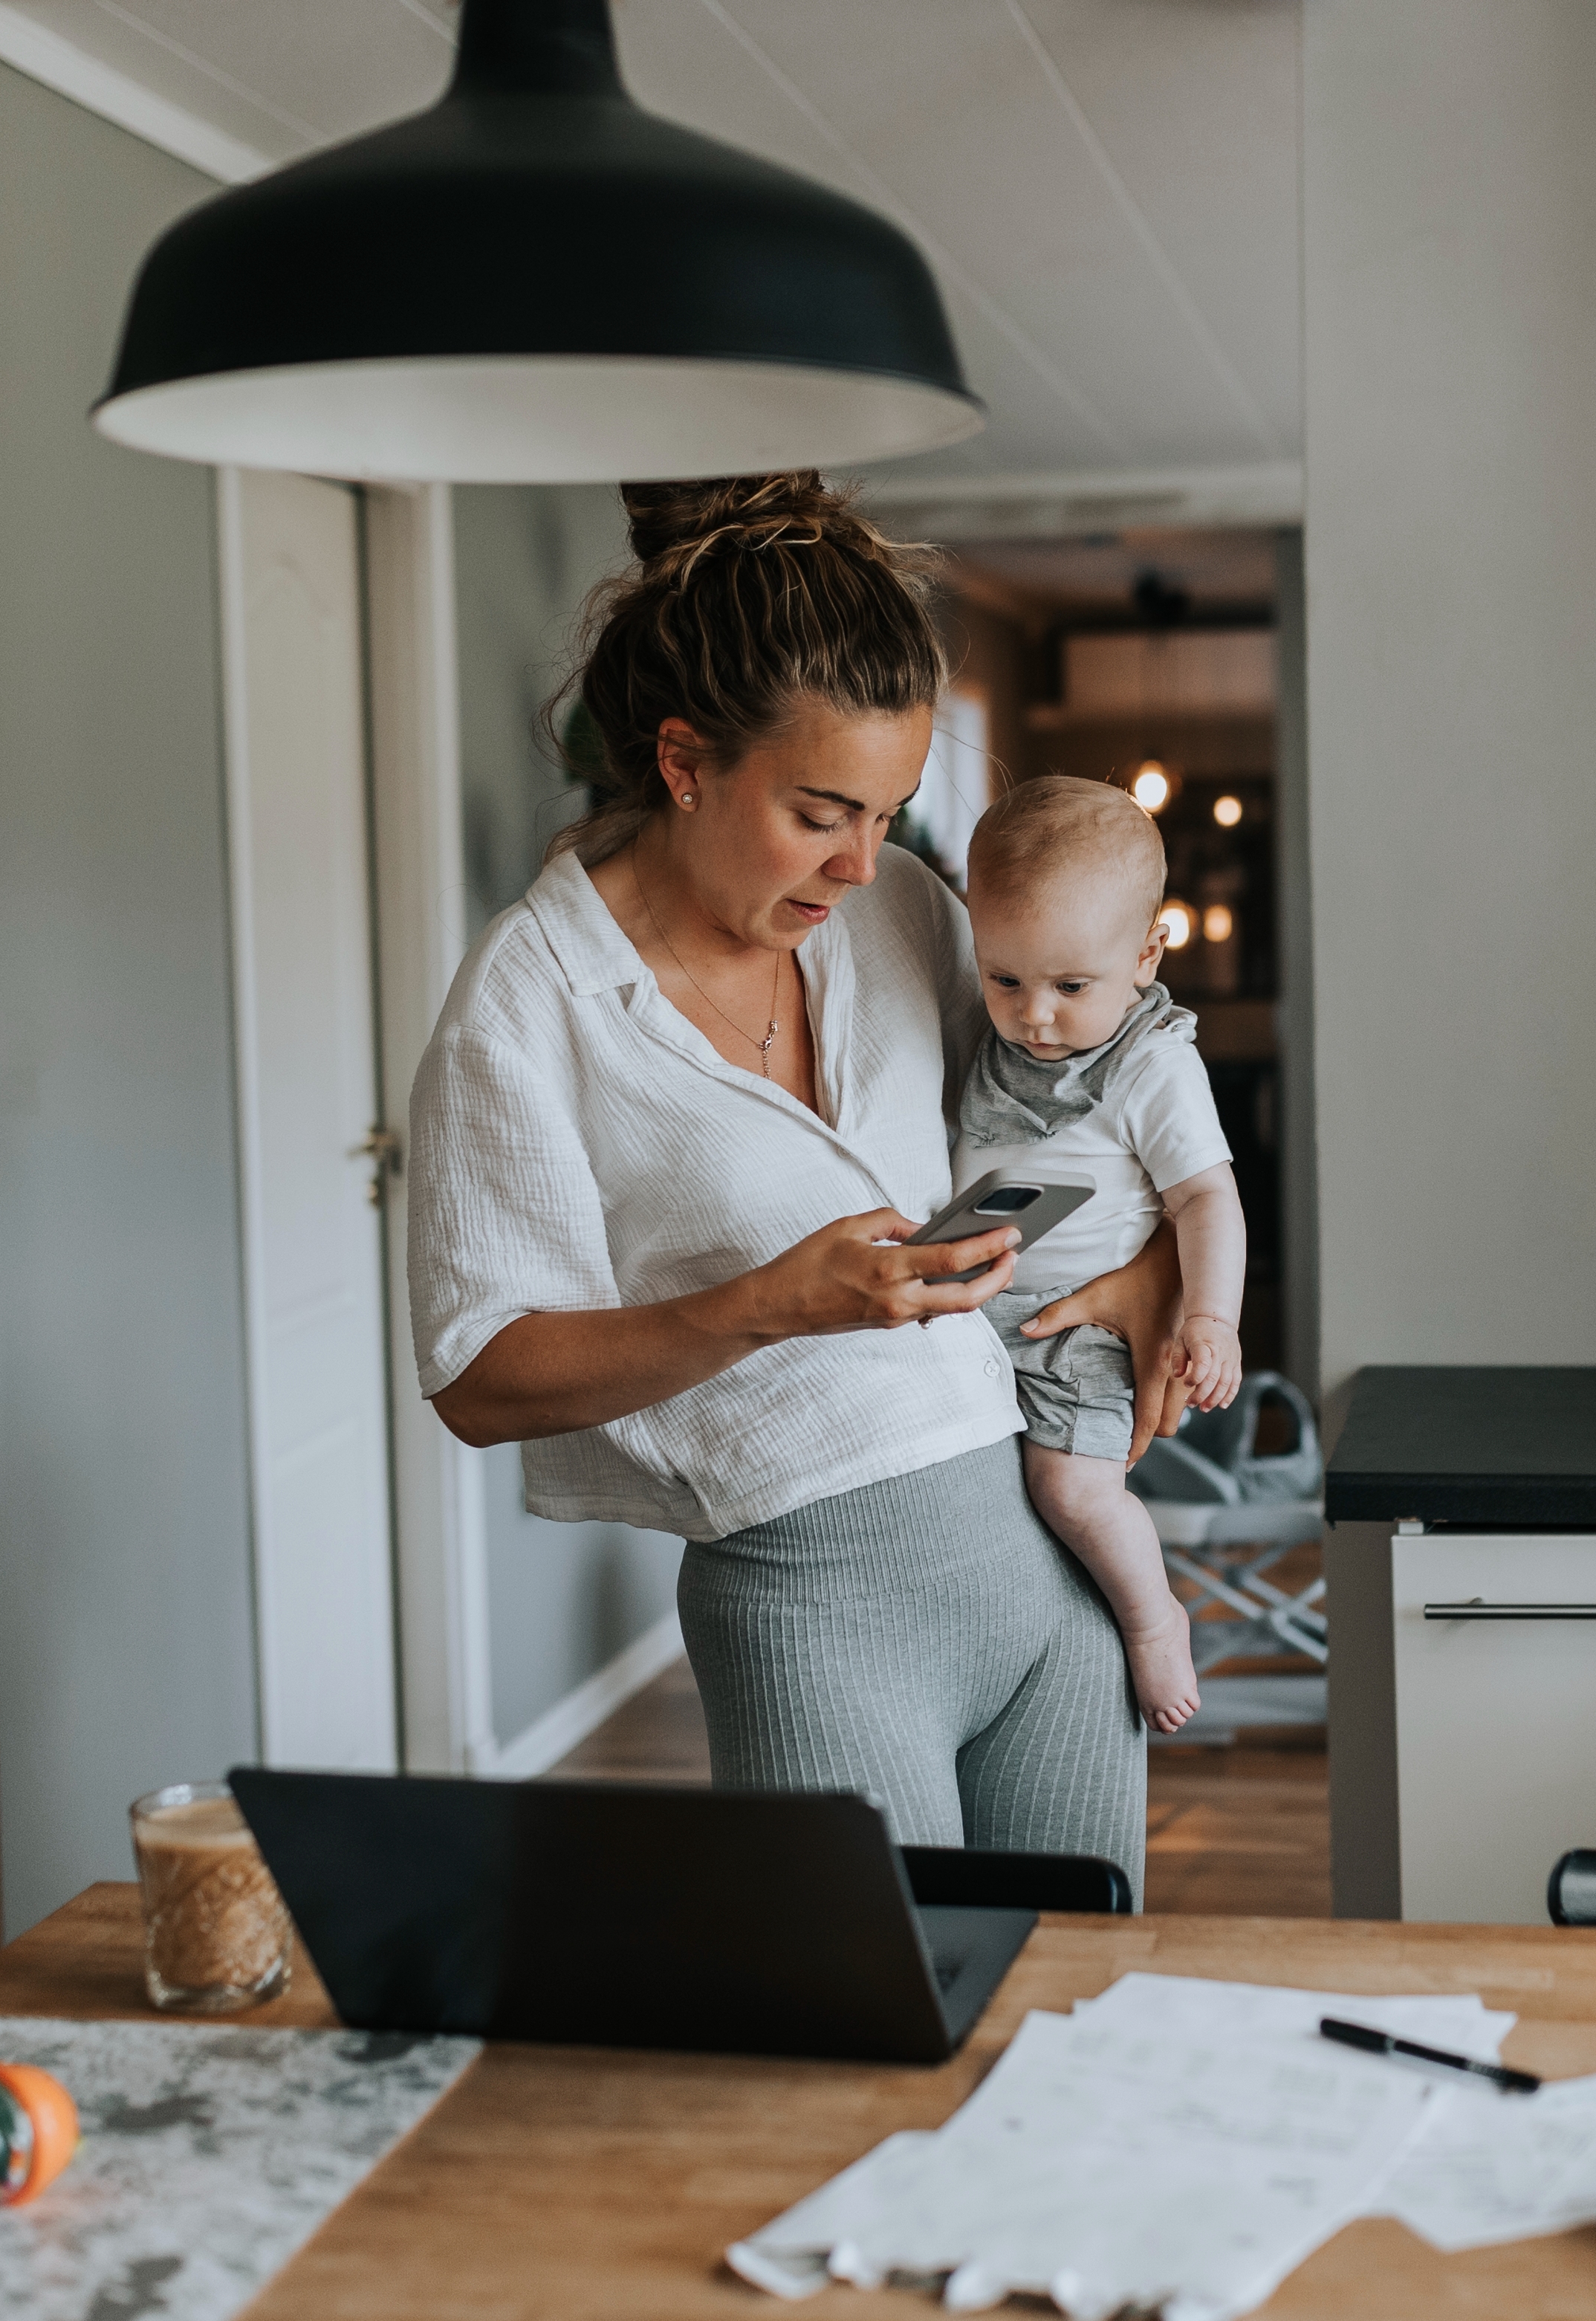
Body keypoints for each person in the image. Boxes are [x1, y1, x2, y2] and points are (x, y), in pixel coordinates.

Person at [405, 470, 1184, 1899]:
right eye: (824, 810)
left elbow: (1085, 1096)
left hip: (1048, 1573)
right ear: (688, 759)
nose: (863, 860)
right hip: (813, 1607)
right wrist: (764, 1306)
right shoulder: (535, 1003)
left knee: (1074, 2016)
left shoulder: (895, 910)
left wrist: (1148, 1276)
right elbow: (478, 1376)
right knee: (880, 2046)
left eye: (889, 812)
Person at [956, 778, 1248, 1735]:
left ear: (1145, 955)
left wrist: (1208, 1318)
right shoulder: (993, 1033)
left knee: (1072, 1486)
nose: (1033, 1014)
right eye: (1004, 979)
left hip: (1074, 1330)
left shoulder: (1151, 1064)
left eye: (1070, 988)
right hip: (973, 1316)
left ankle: (1152, 1617)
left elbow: (1205, 1197)